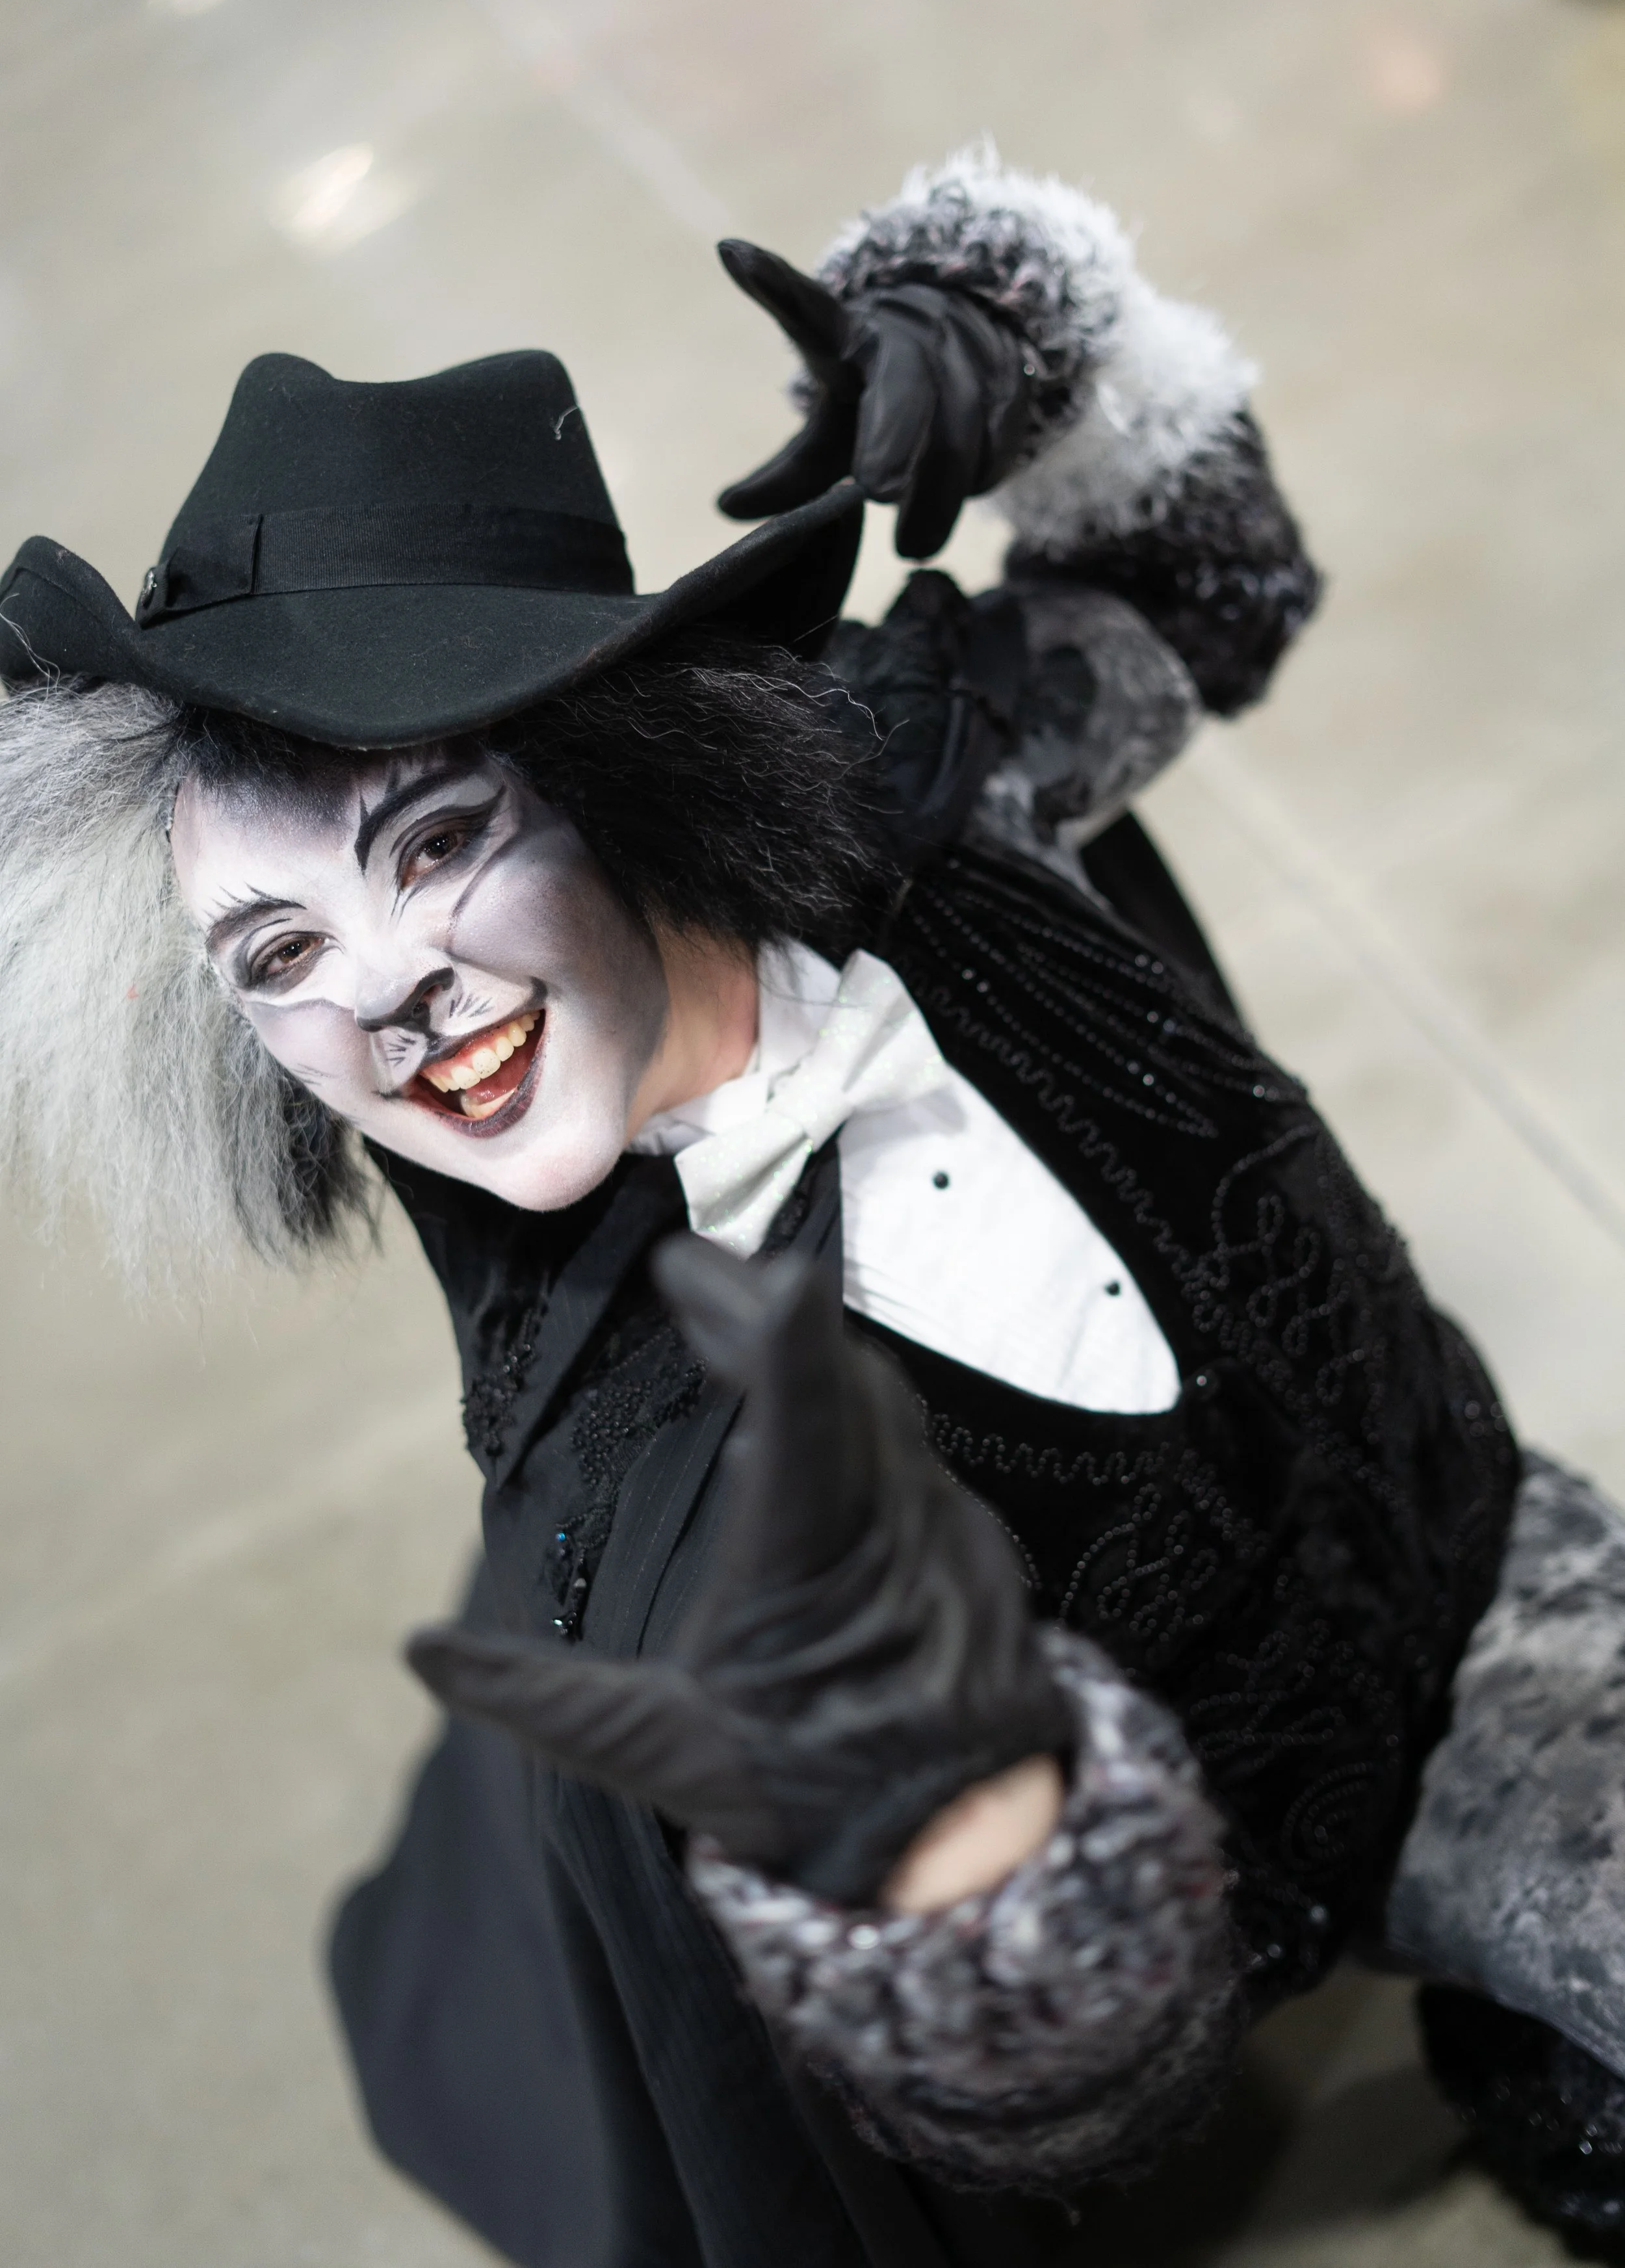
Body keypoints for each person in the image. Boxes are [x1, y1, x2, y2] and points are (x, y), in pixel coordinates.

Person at [4, 148, 1625, 2268]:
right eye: (278, 953)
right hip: (1215, 1907)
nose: (385, 990)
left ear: (616, 769)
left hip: (1487, 1575)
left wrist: (1032, 350)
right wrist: (958, 1888)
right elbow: (1001, 2123)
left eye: (439, 839)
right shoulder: (672, 1519)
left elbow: (1215, 585)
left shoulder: (931, 778)